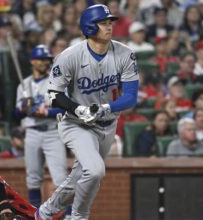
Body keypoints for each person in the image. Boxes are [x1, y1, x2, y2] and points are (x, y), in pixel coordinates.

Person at [36, 4, 139, 219]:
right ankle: (79, 216)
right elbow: (54, 94)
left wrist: (105, 109)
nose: (109, 27)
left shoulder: (125, 53)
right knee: (94, 171)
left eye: (110, 22)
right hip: (76, 123)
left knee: (80, 177)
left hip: (107, 123)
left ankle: (45, 212)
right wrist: (78, 109)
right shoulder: (69, 56)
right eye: (103, 23)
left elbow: (131, 97)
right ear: (89, 27)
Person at [15, 44, 68, 211]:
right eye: (41, 59)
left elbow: (64, 109)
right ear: (32, 62)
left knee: (60, 179)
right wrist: (23, 109)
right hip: (32, 133)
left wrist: (44, 112)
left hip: (53, 132)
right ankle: (34, 213)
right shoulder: (23, 86)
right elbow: (16, 115)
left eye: (47, 59)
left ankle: (68, 215)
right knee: (32, 178)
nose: (44, 62)